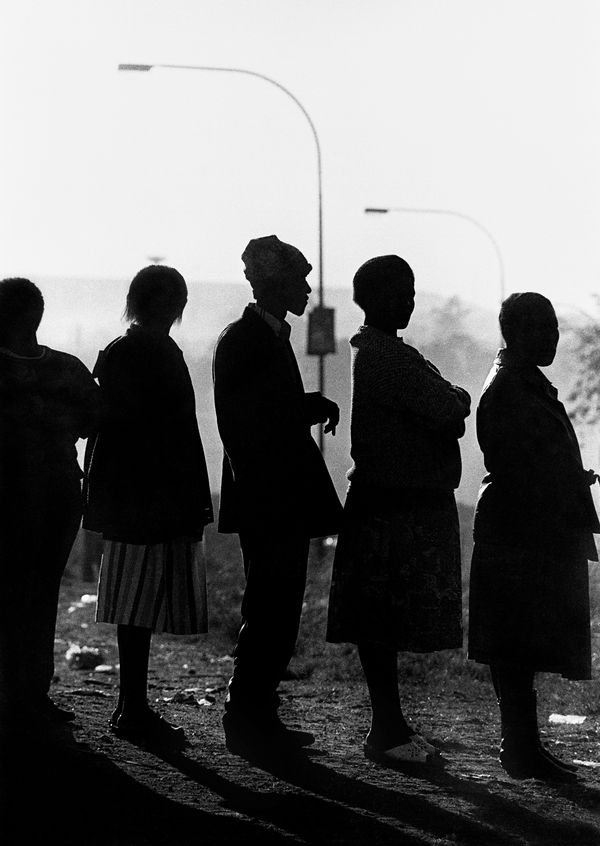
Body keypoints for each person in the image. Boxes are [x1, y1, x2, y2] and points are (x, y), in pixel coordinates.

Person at [326, 255, 471, 768]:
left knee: (383, 618)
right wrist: (454, 396)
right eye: (400, 291)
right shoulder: (385, 357)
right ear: (374, 298)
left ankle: (390, 724)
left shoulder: (385, 352)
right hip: (391, 507)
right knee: (382, 620)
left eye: (412, 290)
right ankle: (385, 729)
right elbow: (451, 407)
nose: (409, 300)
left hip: (392, 504)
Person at [213, 234, 343, 759]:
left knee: (277, 608)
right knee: (269, 608)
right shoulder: (246, 339)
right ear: (273, 283)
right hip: (269, 499)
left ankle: (257, 715)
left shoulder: (261, 336)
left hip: (272, 498)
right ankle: (246, 718)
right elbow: (248, 424)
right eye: (298, 279)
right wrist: (305, 408)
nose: (307, 289)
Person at [468, 292, 599, 781]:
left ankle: (523, 746)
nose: (553, 337)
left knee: (520, 646)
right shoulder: (509, 388)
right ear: (514, 332)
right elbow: (517, 466)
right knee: (515, 647)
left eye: (554, 328)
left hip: (529, 529)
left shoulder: (524, 383)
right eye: (541, 328)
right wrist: (563, 481)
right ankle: (519, 747)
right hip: (520, 532)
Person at [83, 264, 213, 745]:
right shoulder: (148, 351)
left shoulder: (130, 349)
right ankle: (131, 708)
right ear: (170, 304)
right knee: (137, 605)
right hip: (147, 496)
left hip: (135, 496)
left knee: (134, 603)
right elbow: (161, 434)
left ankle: (130, 705)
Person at [0, 277, 100, 730]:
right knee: (40, 598)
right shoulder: (68, 369)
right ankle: (32, 692)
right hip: (59, 497)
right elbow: (95, 420)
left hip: (10, 498)